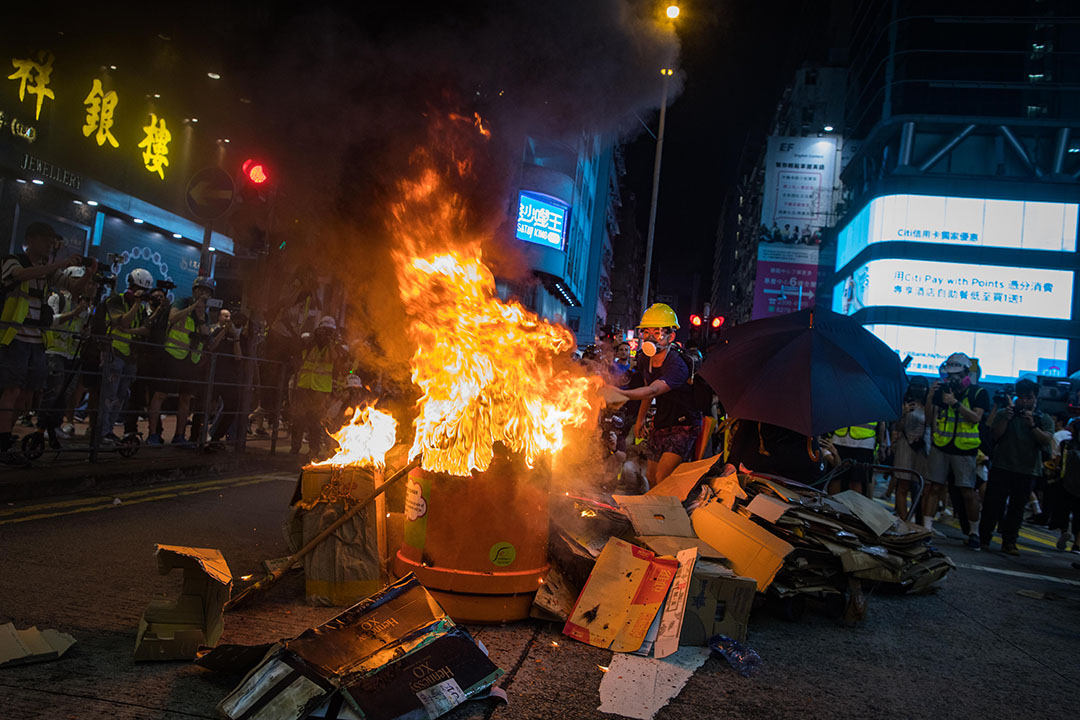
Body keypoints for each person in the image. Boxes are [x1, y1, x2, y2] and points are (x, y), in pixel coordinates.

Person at [1, 222, 95, 462]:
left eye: (50, 241)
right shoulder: (14, 261)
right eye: (45, 240)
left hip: (36, 340)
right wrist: (60, 264)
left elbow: (73, 288)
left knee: (27, 394)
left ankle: (7, 439)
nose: (49, 245)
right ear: (31, 240)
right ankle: (1, 443)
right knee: (11, 390)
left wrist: (89, 274)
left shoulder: (48, 269)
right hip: (13, 337)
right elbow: (19, 276)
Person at [609, 304, 702, 486]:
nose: (650, 338)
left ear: (671, 337)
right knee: (651, 477)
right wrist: (640, 419)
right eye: (646, 332)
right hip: (661, 422)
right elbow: (647, 388)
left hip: (684, 424)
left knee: (662, 476)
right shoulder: (644, 358)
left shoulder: (677, 365)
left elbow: (654, 390)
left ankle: (669, 511)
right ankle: (655, 510)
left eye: (658, 333)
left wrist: (621, 394)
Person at [979, 378, 1053, 554]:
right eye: (1021, 397)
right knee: (992, 504)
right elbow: (995, 436)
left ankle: (1009, 541)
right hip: (1002, 466)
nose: (1025, 401)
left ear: (1035, 398)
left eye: (1029, 397)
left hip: (1027, 470)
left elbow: (1046, 440)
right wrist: (1007, 417)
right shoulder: (1005, 413)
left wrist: (1032, 425)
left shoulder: (1043, 418)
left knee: (1017, 509)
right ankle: (984, 538)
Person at [925, 352, 989, 549]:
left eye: (957, 375)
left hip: (965, 450)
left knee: (967, 491)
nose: (953, 379)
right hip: (941, 445)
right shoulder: (941, 392)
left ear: (966, 374)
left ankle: (974, 532)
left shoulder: (978, 393)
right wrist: (930, 397)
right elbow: (929, 419)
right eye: (950, 375)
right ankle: (926, 529)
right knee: (935, 487)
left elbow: (976, 418)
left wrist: (955, 403)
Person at [149, 276, 213, 444]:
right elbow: (173, 318)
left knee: (186, 398)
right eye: (201, 290)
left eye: (207, 291)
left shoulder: (203, 313)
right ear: (194, 290)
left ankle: (179, 436)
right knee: (161, 394)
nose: (203, 294)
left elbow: (206, 335)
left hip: (191, 361)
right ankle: (153, 434)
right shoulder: (181, 302)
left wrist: (200, 315)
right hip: (172, 356)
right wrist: (193, 306)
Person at [99, 268, 152, 442]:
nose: (140, 293)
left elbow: (146, 329)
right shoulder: (116, 300)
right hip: (114, 352)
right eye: (137, 288)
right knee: (109, 394)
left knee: (123, 395)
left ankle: (109, 430)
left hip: (131, 356)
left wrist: (129, 330)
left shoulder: (142, 308)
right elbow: (121, 321)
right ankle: (101, 432)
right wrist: (136, 304)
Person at [40, 266, 90, 447]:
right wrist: (74, 313)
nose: (81, 284)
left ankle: (55, 425)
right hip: (55, 350)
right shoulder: (57, 298)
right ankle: (42, 426)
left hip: (73, 354)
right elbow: (51, 320)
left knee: (66, 392)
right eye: (77, 280)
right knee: (53, 390)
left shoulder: (85, 305)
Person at [291, 316, 347, 457]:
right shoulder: (310, 342)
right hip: (304, 385)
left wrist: (331, 343)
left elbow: (337, 361)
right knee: (298, 418)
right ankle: (295, 448)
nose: (326, 334)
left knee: (315, 421)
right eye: (324, 330)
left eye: (329, 331)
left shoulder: (335, 346)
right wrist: (315, 338)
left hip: (320, 390)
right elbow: (300, 353)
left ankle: (314, 450)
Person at [891, 376, 930, 521]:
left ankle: (920, 520)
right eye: (915, 386)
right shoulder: (904, 403)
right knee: (903, 484)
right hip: (905, 445)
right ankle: (905, 520)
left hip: (922, 448)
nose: (918, 389)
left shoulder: (929, 406)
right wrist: (903, 412)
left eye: (921, 386)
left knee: (921, 486)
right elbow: (896, 426)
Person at [829, 422, 882, 495]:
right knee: (835, 478)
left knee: (857, 481)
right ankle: (832, 505)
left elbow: (881, 424)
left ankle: (854, 505)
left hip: (864, 442)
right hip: (839, 439)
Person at [1051, 417, 1080, 552]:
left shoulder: (1066, 443)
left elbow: (1057, 462)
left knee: (1063, 510)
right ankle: (1077, 544)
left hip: (1065, 482)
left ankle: (1064, 531)